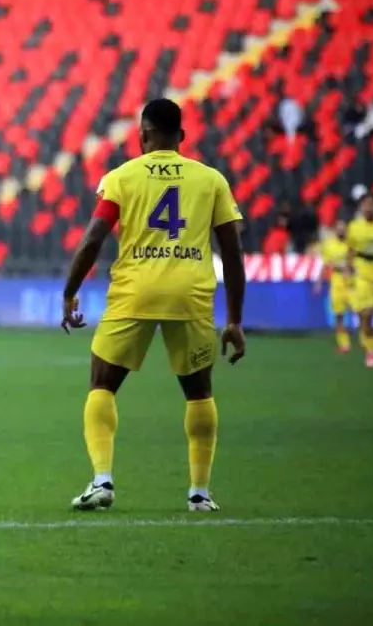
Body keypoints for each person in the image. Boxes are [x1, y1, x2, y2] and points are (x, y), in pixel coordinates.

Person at [60, 98, 246, 513]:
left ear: (142, 135)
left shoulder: (122, 177)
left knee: (102, 383)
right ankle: (200, 493)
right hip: (191, 292)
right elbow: (232, 252)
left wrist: (70, 290)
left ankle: (102, 480)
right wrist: (234, 319)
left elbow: (93, 238)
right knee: (199, 394)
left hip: (136, 290)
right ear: (180, 137)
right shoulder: (211, 179)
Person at [344, 193, 373, 370]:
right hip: (363, 273)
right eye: (365, 205)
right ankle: (371, 351)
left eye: (371, 204)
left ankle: (372, 344)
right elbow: (350, 250)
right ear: (361, 208)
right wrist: (348, 268)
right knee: (366, 312)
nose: (368, 208)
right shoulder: (354, 227)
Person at [314, 223, 353, 354]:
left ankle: (367, 341)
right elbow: (326, 265)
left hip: (353, 280)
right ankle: (344, 344)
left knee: (361, 311)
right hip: (337, 279)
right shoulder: (330, 245)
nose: (341, 231)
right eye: (339, 229)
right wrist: (319, 282)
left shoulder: (352, 243)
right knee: (338, 314)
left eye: (343, 229)